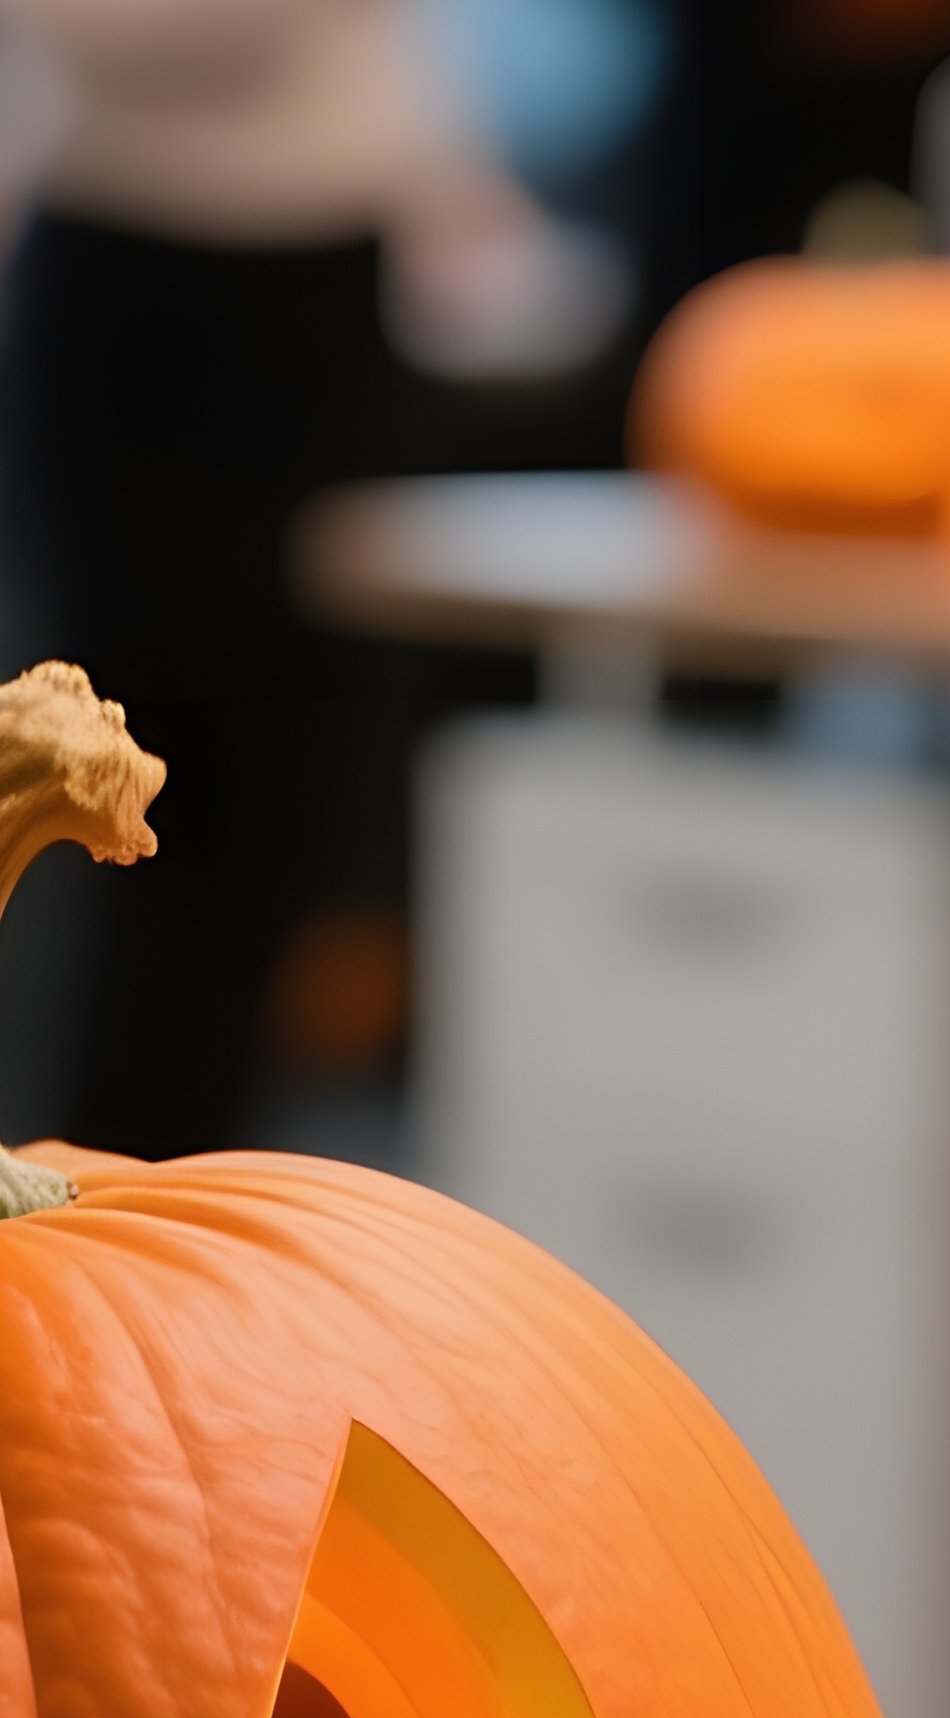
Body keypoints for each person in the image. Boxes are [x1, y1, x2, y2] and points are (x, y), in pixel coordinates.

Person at [0, 0, 581, 1155]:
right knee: (94, 776)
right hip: (114, 262)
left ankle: (180, 1212)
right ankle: (84, 1200)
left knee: (279, 791)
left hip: (319, 278)